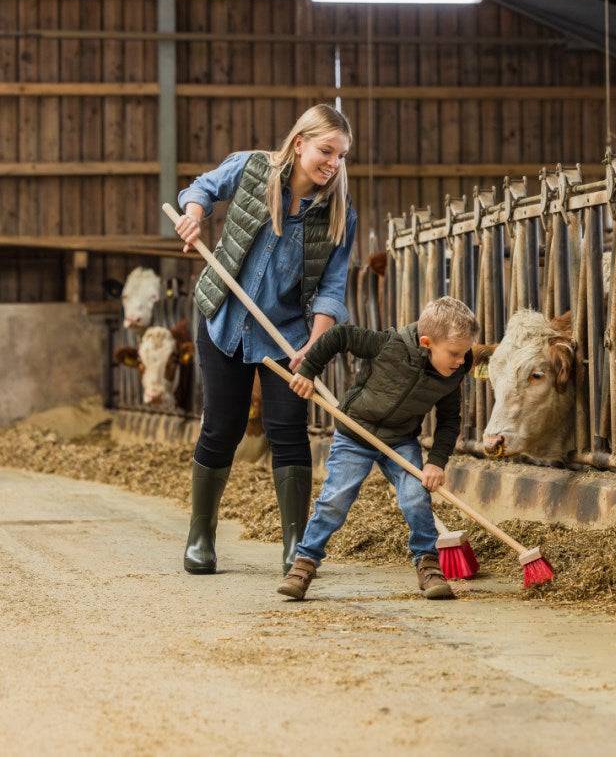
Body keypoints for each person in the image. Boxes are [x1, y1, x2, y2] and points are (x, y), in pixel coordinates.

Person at [174, 104, 357, 576]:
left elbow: (332, 291)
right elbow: (201, 189)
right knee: (223, 427)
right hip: (225, 320)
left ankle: (296, 544)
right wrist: (193, 216)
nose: (332, 164)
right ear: (299, 144)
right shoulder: (252, 168)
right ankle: (201, 535)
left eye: (340, 156)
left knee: (288, 431)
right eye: (325, 151)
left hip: (288, 337)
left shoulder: (338, 214)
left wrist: (311, 350)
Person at [276, 296, 479, 601]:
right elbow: (338, 336)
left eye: (464, 354)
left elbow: (450, 420)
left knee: (415, 498)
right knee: (335, 498)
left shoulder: (453, 373)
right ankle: (304, 562)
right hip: (355, 435)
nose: (461, 361)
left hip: (400, 440)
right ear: (426, 342)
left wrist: (436, 462)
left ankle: (428, 564)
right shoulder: (389, 345)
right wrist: (308, 371)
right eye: (454, 354)